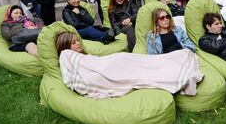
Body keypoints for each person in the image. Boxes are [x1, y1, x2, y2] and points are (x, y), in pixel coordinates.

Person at [56, 31, 203, 99]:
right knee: (142, 74)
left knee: (147, 63)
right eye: (73, 42)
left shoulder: (81, 56)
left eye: (77, 40)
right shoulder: (66, 55)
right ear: (65, 46)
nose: (78, 44)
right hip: (111, 68)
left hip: (117, 62)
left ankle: (176, 64)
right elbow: (77, 79)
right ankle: (177, 73)